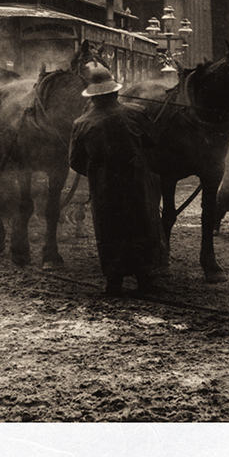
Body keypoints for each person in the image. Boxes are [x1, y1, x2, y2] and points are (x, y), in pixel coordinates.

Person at [68, 66, 166, 296]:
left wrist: (96, 172)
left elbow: (75, 161)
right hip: (137, 184)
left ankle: (114, 281)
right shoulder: (137, 113)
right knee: (142, 225)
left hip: (104, 188)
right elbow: (153, 141)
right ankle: (145, 279)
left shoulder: (81, 123)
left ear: (92, 96)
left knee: (110, 230)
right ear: (114, 92)